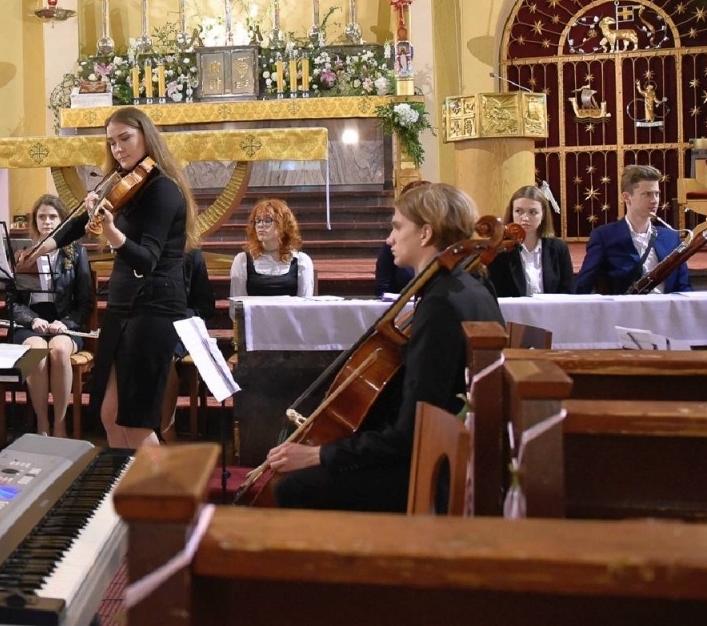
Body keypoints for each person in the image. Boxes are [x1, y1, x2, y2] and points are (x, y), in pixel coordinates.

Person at [265, 184, 505, 511]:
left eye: (397, 227)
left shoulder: (440, 304)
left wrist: (319, 454)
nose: (390, 239)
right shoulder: (473, 285)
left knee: (293, 488)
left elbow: (410, 433)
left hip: (433, 469)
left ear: (425, 233)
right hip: (453, 451)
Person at [15, 108, 195, 450]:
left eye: (125, 139)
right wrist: (39, 250)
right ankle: (126, 483)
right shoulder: (122, 185)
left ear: (146, 137)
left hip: (154, 309)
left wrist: (110, 231)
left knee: (136, 423)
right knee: (110, 416)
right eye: (112, 142)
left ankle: (163, 486)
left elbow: (148, 259)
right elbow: (75, 226)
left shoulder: (163, 190)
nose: (118, 149)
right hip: (123, 306)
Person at [8, 194, 93, 437]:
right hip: (29, 322)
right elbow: (12, 302)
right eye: (42, 217)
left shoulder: (76, 252)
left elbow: (85, 302)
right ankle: (42, 425)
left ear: (62, 220)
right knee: (36, 352)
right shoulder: (22, 253)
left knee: (59, 350)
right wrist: (32, 319)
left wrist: (64, 323)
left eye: (53, 217)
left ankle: (60, 424)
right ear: (34, 221)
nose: (47, 221)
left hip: (65, 321)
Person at [574, 164, 690, 294]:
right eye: (647, 194)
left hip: (665, 306)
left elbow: (684, 287)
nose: (654, 200)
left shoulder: (671, 238)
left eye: (657, 194)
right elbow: (583, 285)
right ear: (626, 197)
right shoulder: (604, 236)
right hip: (625, 306)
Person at [488, 185, 575, 298]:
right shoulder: (500, 249)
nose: (525, 218)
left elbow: (568, 291)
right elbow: (494, 293)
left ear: (543, 215)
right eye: (519, 211)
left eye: (532, 212)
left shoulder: (558, 248)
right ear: (512, 213)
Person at [230, 198, 316, 297]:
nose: (261, 225)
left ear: (283, 225)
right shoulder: (242, 260)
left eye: (267, 220)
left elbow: (305, 301)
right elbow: (238, 302)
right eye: (258, 221)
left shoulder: (301, 261)